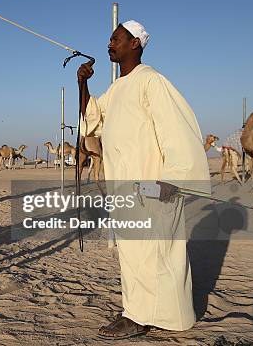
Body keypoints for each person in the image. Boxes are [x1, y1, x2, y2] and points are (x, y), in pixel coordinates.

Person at [77, 20, 211, 339]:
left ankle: (145, 317)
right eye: (110, 38)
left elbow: (178, 128)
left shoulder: (152, 81)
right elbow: (91, 120)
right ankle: (144, 312)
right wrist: (82, 83)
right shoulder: (119, 88)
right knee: (136, 254)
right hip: (126, 189)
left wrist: (173, 178)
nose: (110, 43)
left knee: (159, 253)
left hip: (154, 185)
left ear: (135, 44)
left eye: (117, 38)